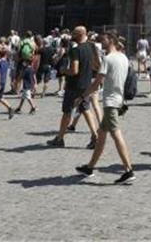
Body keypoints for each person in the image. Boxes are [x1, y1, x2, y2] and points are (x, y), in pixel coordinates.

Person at [75, 35, 136, 184]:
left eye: (105, 39)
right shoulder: (123, 57)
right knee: (101, 136)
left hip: (110, 102)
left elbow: (96, 84)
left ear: (112, 41)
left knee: (116, 135)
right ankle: (89, 167)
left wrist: (82, 97)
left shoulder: (108, 59)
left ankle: (128, 170)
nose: (102, 42)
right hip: (118, 99)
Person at [48, 26, 98, 147]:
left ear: (80, 34)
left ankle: (60, 139)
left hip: (74, 85)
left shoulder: (75, 50)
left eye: (74, 34)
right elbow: (97, 64)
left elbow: (74, 70)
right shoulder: (92, 47)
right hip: (86, 83)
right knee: (85, 109)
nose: (72, 36)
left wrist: (64, 70)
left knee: (67, 111)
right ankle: (95, 136)